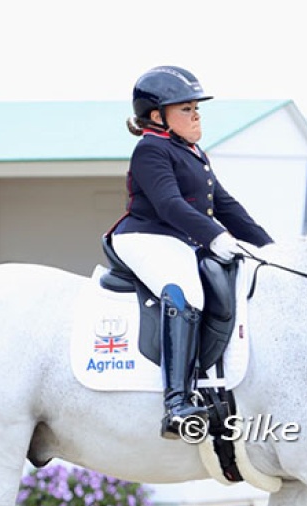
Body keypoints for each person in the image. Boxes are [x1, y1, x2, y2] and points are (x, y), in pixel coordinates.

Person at [106, 66, 274, 439]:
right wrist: (215, 237)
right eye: (186, 108)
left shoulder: (191, 151)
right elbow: (169, 204)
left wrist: (271, 248)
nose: (196, 115)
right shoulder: (150, 149)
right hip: (146, 237)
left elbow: (226, 205)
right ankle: (177, 404)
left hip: (180, 238)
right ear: (156, 116)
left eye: (196, 108)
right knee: (186, 292)